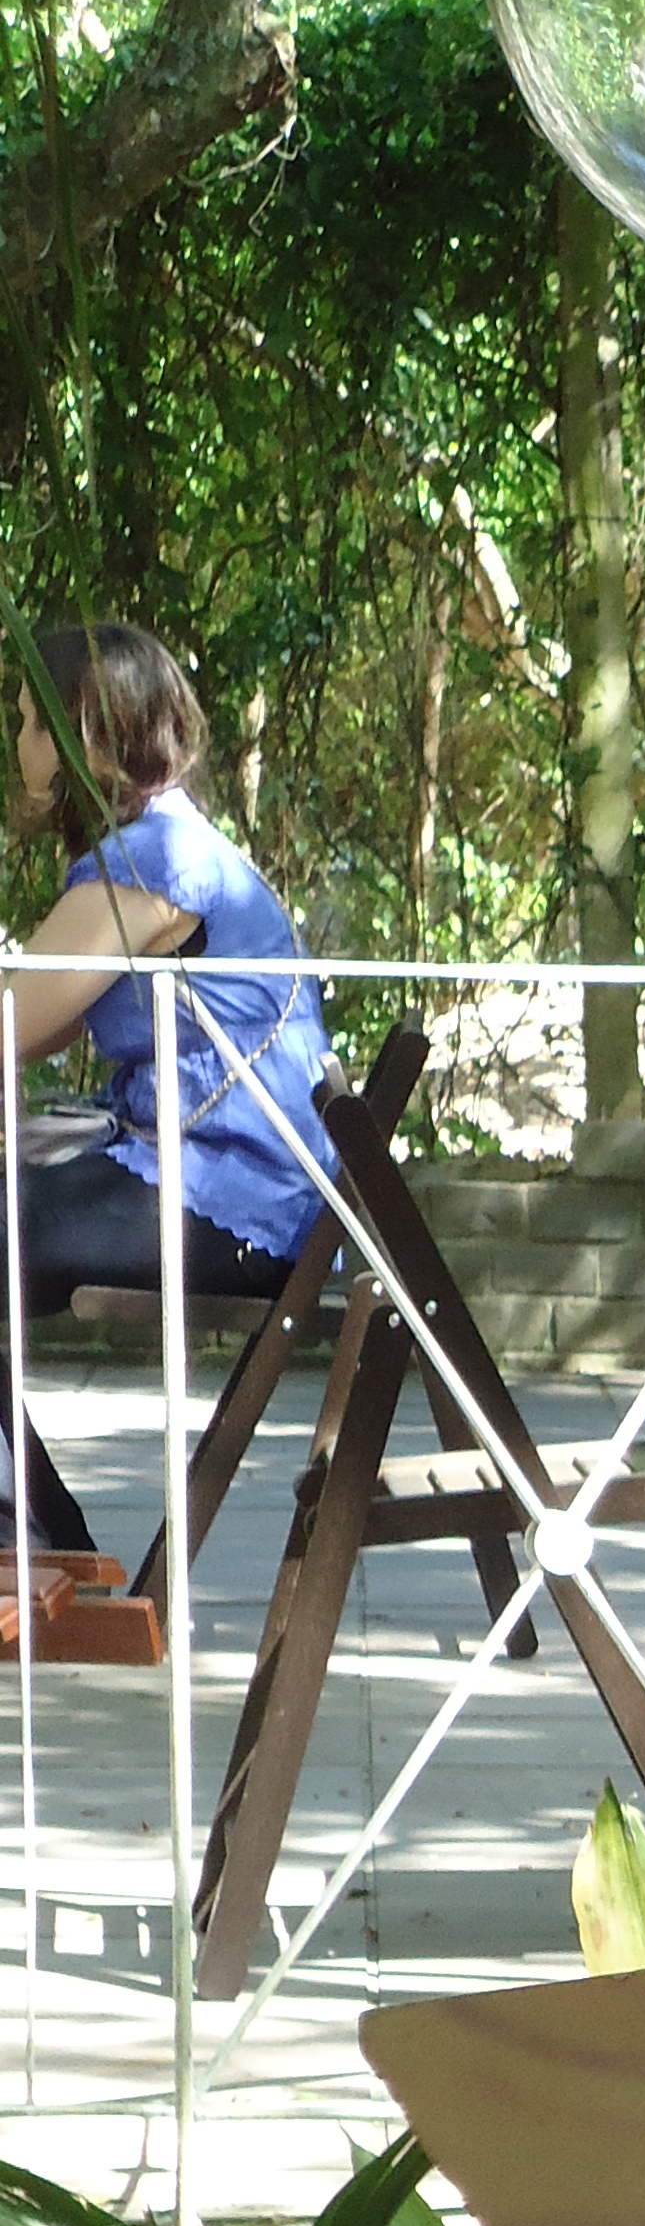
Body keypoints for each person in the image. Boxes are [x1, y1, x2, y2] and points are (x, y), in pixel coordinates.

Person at [2, 621, 337, 1553]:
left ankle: (39, 1551)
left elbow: (9, 1026)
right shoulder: (164, 849)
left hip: (230, 1205)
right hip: (240, 1192)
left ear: (81, 734)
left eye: (28, 721)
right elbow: (42, 1022)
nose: (18, 743)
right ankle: (44, 1547)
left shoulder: (151, 862)